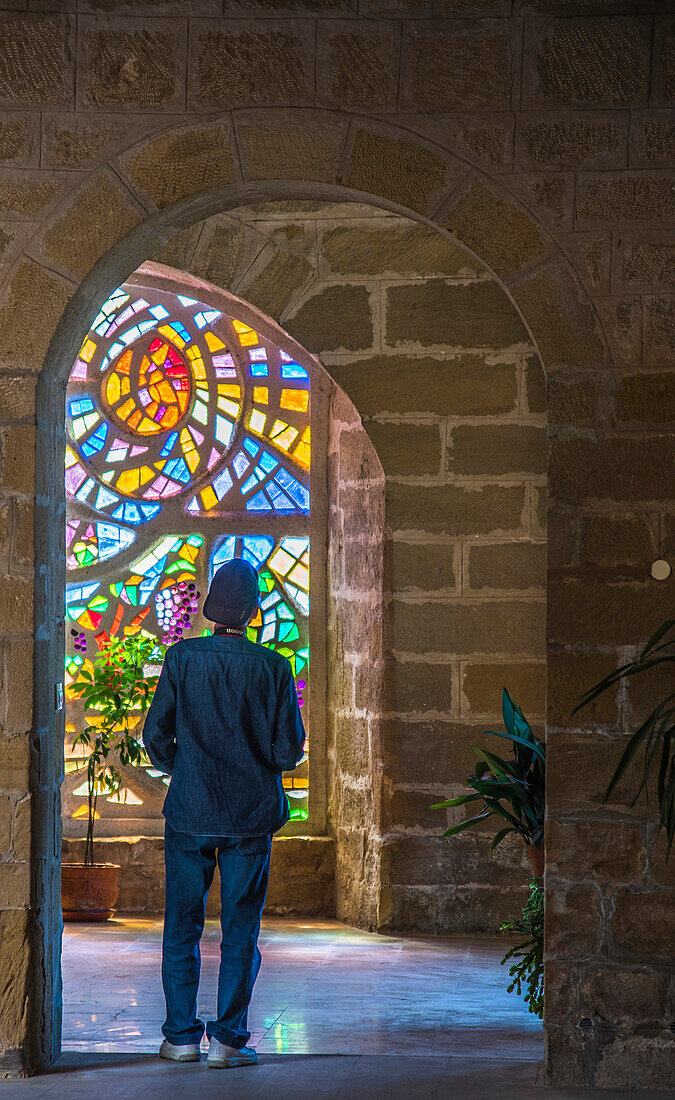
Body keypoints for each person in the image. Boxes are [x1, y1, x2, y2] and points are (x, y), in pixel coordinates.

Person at [142, 557, 306, 1069]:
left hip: (190, 811)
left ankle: (181, 1037)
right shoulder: (274, 667)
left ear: (210, 606)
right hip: (250, 816)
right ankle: (228, 1041)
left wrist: (183, 767)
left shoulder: (182, 658)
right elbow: (287, 753)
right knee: (240, 931)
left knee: (182, 927)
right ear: (254, 610)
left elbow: (154, 735)